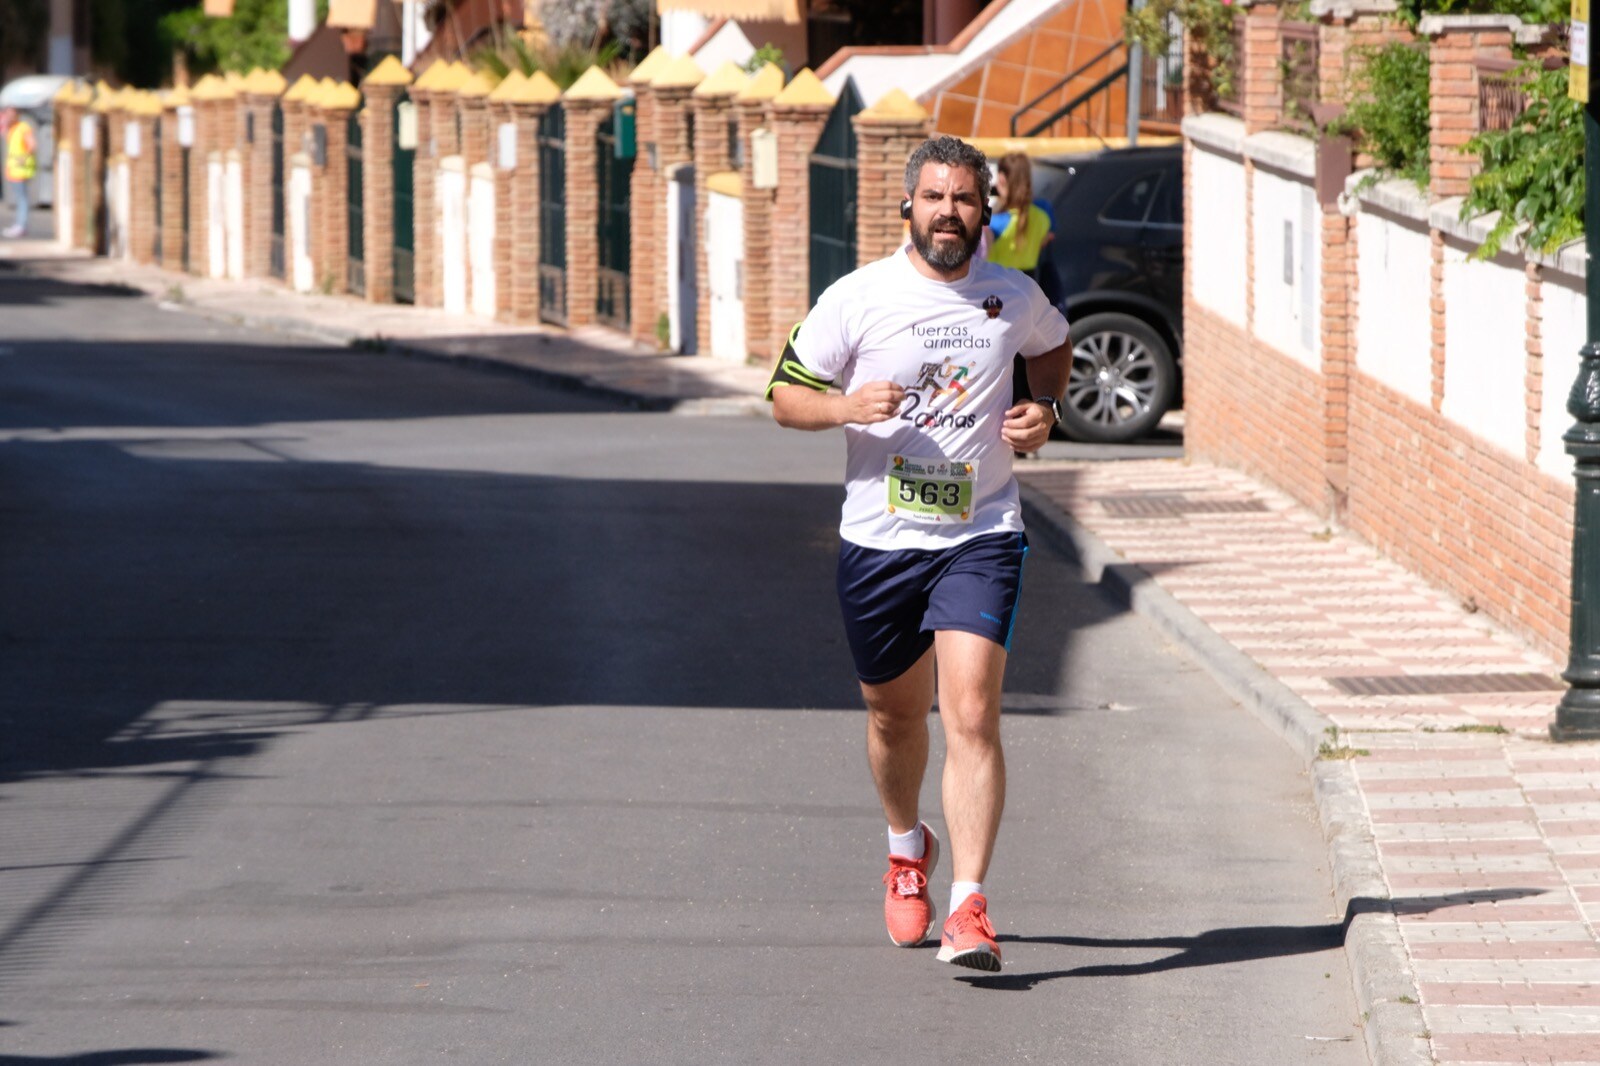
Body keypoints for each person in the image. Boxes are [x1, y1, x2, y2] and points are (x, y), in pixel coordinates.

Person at [766, 135, 1071, 973]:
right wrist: (844, 407)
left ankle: (970, 905)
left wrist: (1045, 410)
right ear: (908, 206)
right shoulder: (859, 297)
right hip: (878, 540)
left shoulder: (1012, 295)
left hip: (980, 534)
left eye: (965, 199)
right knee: (894, 717)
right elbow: (782, 395)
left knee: (971, 713)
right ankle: (908, 850)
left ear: (987, 209)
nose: (949, 212)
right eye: (934, 197)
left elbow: (1054, 346)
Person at [2, 107, 36, 239]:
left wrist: (23, 158)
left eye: (11, 113)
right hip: (13, 170)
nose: (9, 116)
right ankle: (19, 224)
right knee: (20, 198)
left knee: (22, 199)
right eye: (7, 113)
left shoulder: (23, 127)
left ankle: (21, 225)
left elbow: (32, 145)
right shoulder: (12, 129)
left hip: (21, 169)